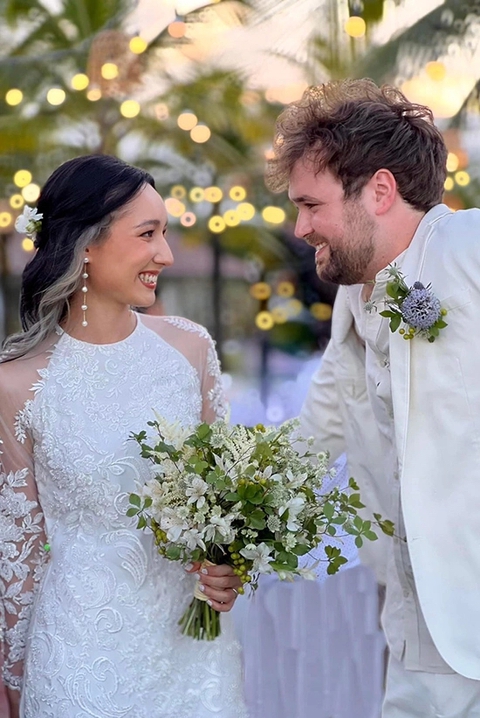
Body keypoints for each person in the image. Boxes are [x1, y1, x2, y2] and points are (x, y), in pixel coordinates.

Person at [0, 155, 248, 718]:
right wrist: (15, 678)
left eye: (165, 233)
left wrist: (226, 564)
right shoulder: (15, 385)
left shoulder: (189, 350)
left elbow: (224, 502)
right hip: (79, 659)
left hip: (195, 655)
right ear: (86, 245)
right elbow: (18, 554)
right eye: (147, 234)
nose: (166, 254)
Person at [266, 78, 480, 717]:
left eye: (311, 205)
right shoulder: (353, 298)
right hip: (419, 616)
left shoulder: (468, 248)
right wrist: (221, 510)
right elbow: (321, 424)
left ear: (380, 191)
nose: (301, 228)